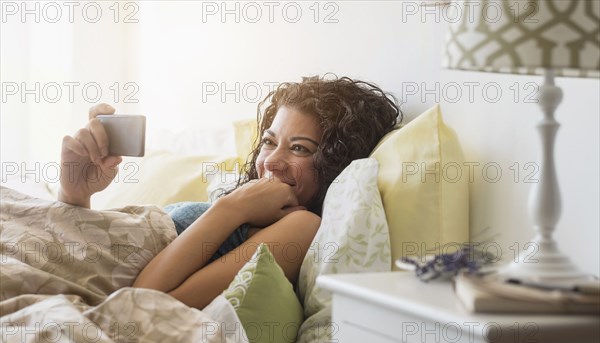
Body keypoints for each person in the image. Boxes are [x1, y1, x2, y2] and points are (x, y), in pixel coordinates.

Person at [58, 75, 400, 309]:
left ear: (334, 164)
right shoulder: (239, 206)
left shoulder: (300, 228)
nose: (272, 162)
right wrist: (75, 198)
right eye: (269, 142)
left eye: (300, 149)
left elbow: (144, 302)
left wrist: (232, 208)